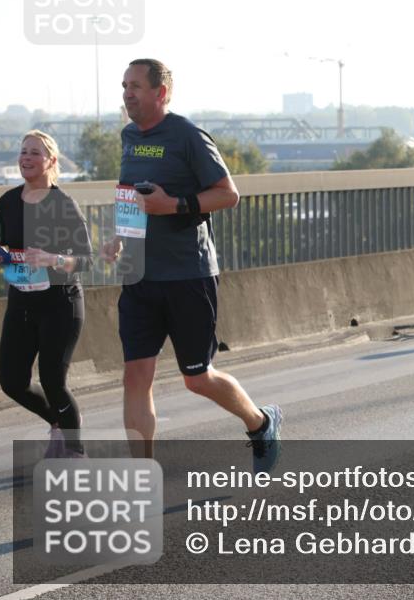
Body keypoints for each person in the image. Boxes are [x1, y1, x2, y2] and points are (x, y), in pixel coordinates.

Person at [101, 59, 282, 471]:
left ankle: (259, 423)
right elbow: (132, 194)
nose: (128, 93)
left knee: (197, 378)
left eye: (136, 87)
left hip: (188, 274)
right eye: (124, 85)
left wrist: (174, 205)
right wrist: (119, 236)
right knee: (135, 377)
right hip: (140, 275)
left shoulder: (187, 135)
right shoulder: (130, 137)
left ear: (160, 93)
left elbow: (228, 194)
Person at [0, 131, 93, 457]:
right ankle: (58, 422)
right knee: (12, 382)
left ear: (51, 161)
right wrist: (2, 254)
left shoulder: (63, 204)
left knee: (53, 381)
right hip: (22, 301)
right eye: (23, 152)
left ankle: (75, 453)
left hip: (60, 304)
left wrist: (54, 259)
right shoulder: (7, 202)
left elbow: (86, 260)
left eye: (35, 153)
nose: (26, 158)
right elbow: (13, 246)